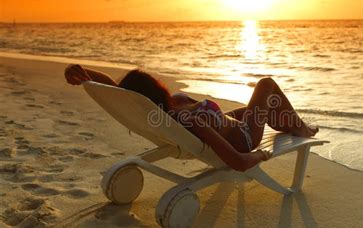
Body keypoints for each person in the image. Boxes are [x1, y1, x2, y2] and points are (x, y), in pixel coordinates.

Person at [64, 64, 318, 172]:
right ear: (155, 88)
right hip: (244, 136)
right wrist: (261, 155)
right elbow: (238, 162)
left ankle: (288, 123)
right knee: (265, 84)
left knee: (268, 108)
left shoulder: (161, 113)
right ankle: (302, 130)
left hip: (229, 123)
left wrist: (82, 73)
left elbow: (115, 89)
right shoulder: (187, 120)